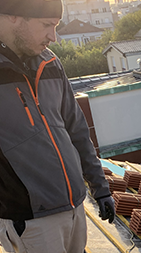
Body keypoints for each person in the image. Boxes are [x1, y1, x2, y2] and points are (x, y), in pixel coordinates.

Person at [0, 0, 115, 252]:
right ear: (13, 17)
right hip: (30, 221)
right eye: (46, 25)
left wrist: (101, 189)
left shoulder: (50, 62)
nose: (54, 37)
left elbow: (77, 131)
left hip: (74, 207)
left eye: (56, 26)